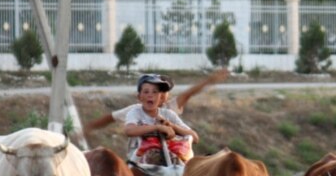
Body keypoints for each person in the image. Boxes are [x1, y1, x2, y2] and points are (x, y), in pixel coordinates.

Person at [84, 68, 229, 133]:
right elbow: (111, 118)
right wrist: (86, 128)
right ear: (140, 95)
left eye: (161, 91)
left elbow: (190, 93)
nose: (155, 95)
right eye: (149, 91)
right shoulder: (135, 110)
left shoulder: (171, 109)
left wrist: (210, 81)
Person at [124, 74, 199, 165]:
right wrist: (157, 127)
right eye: (146, 92)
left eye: (155, 92)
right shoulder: (135, 112)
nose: (150, 95)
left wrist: (172, 126)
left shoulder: (168, 114)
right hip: (140, 164)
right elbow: (129, 130)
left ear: (161, 98)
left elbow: (194, 138)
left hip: (168, 161)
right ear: (139, 97)